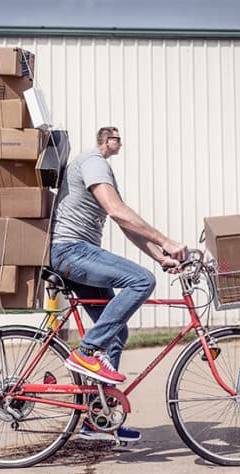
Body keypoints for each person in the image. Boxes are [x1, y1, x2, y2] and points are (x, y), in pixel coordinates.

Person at [50, 126, 188, 442]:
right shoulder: (94, 162)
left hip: (77, 253)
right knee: (141, 281)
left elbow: (126, 226)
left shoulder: (101, 170)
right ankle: (86, 352)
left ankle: (96, 419)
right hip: (70, 250)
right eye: (115, 139)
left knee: (117, 332)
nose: (119, 143)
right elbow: (117, 212)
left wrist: (159, 256)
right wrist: (166, 240)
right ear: (104, 142)